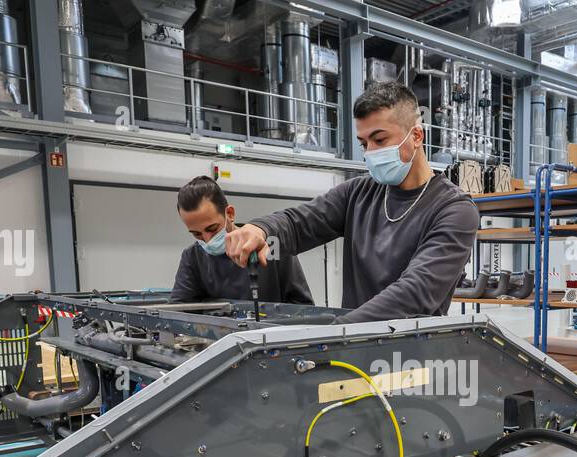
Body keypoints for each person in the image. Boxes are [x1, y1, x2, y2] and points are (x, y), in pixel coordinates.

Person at [223, 82, 479, 323]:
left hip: (412, 356)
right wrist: (261, 229)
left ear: (416, 136)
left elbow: (415, 293)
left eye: (379, 140)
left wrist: (338, 331)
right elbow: (299, 224)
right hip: (353, 347)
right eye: (364, 143)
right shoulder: (358, 193)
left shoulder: (454, 210)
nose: (370, 152)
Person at [170, 175, 312, 305]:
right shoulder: (193, 257)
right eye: (197, 234)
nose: (207, 240)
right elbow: (178, 311)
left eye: (212, 229)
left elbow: (302, 307)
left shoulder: (271, 246)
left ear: (230, 214)